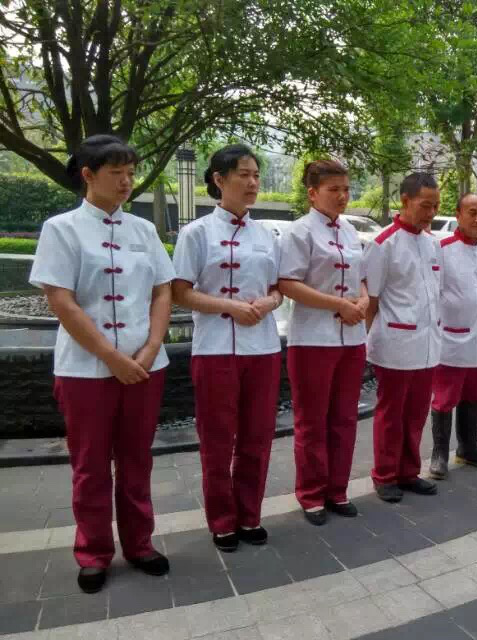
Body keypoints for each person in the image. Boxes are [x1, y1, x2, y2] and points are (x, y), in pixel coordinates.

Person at [29, 135, 174, 593]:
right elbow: (61, 300)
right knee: (90, 464)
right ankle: (93, 552)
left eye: (131, 172)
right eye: (117, 173)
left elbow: (163, 291)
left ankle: (140, 544)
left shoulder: (144, 231)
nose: (127, 181)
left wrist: (151, 347)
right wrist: (111, 357)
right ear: (88, 175)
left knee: (136, 460)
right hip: (85, 370)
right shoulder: (61, 229)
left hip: (144, 365)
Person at [172, 144, 283, 552]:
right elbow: (180, 292)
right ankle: (222, 520)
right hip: (215, 348)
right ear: (219, 180)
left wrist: (269, 303)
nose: (252, 182)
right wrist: (230, 307)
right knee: (218, 439)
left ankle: (250, 515)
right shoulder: (196, 233)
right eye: (243, 174)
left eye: (256, 175)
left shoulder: (267, 235)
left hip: (263, 349)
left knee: (258, 436)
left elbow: (278, 289)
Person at [279, 160, 368, 526]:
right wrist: (339, 305)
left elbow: (361, 277)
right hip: (313, 339)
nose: (343, 196)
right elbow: (288, 283)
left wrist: (362, 301)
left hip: (351, 338)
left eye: (346, 189)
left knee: (345, 417)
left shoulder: (350, 230)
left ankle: (337, 489)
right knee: (312, 420)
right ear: (313, 193)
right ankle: (312, 493)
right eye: (334, 190)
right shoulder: (299, 232)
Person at [363, 172, 442, 503]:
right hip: (395, 344)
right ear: (405, 201)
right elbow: (371, 301)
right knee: (392, 413)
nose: (431, 213)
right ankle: (384, 475)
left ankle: (409, 471)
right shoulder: (383, 244)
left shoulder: (432, 244)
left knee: (417, 412)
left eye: (436, 206)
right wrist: (364, 345)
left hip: (428, 344)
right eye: (425, 205)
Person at [428, 194, 477, 480]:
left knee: (476, 394)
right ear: (458, 214)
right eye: (472, 212)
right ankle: (439, 454)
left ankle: (468, 447)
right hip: (452, 339)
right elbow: (432, 293)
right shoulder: (442, 248)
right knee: (445, 398)